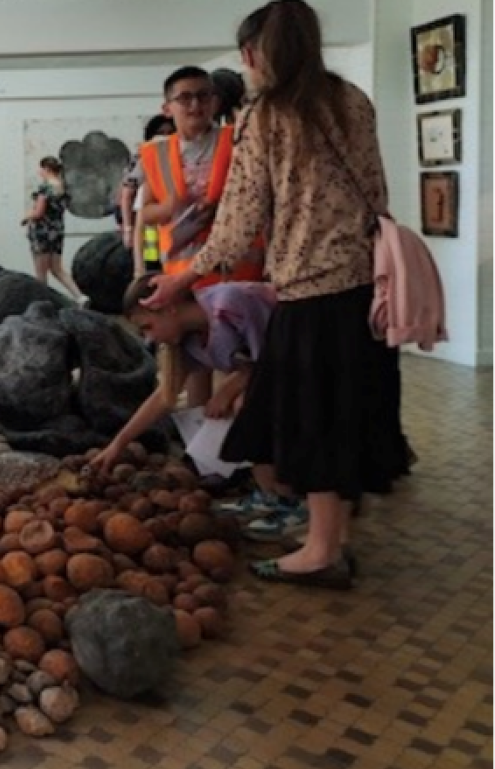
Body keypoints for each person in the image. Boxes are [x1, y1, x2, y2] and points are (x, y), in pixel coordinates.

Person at [145, 0, 407, 589]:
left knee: (310, 420)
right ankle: (330, 538)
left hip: (309, 292)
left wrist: (183, 275)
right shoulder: (352, 101)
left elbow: (238, 224)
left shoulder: (266, 118)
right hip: (364, 288)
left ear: (252, 54)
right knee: (347, 414)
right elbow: (375, 188)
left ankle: (319, 551)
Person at [89, 276, 307, 538]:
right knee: (242, 408)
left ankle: (291, 501)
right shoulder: (189, 341)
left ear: (168, 307)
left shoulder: (231, 303)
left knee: (245, 407)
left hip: (306, 365)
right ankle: (268, 494)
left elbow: (274, 355)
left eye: (148, 326)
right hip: (272, 376)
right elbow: (164, 396)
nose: (150, 338)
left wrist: (230, 388)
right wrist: (118, 444)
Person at [134, 66, 265, 290]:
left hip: (239, 271)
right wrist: (169, 207)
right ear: (167, 108)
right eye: (185, 98)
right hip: (182, 277)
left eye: (203, 96)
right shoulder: (156, 153)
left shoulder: (239, 141)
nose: (195, 105)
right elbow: (144, 216)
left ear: (214, 102)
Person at [22, 157, 83, 302]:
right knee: (57, 269)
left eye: (41, 169)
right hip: (57, 231)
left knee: (41, 272)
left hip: (42, 233)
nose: (39, 172)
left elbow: (39, 212)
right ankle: (80, 296)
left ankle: (44, 302)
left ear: (47, 170)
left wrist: (26, 217)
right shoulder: (62, 188)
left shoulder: (45, 188)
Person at [119, 115, 175, 258]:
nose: (165, 137)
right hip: (148, 216)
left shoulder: (180, 154)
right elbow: (127, 193)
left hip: (174, 217)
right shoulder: (144, 155)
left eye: (170, 133)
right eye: (161, 133)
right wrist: (128, 229)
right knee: (151, 259)